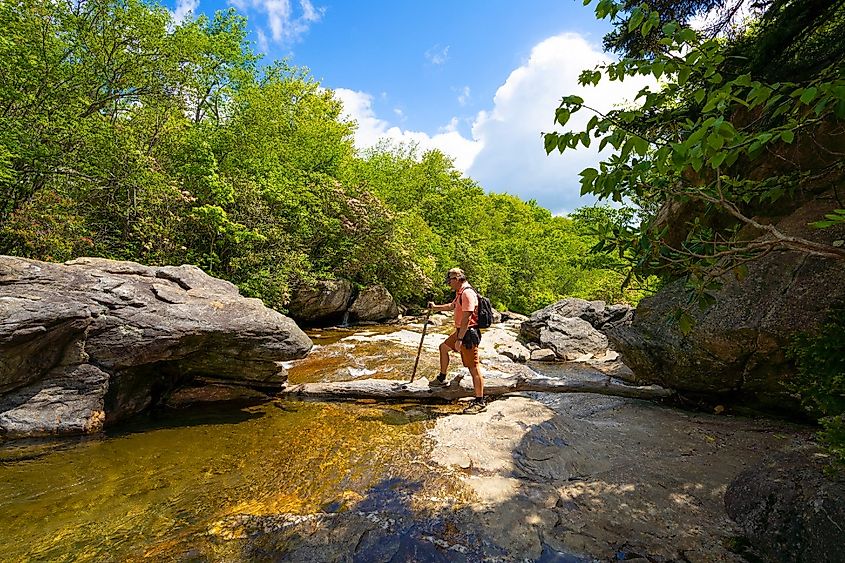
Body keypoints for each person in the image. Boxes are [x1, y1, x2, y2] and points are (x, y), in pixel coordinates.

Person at [427, 267, 486, 413]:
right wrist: (435, 308)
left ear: (457, 278)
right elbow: (451, 306)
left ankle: (480, 401)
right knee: (443, 347)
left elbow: (467, 316)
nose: (449, 283)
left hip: (467, 334)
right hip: (461, 332)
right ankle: (442, 378)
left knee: (473, 367)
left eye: (450, 280)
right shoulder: (460, 292)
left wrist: (459, 339)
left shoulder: (467, 293)